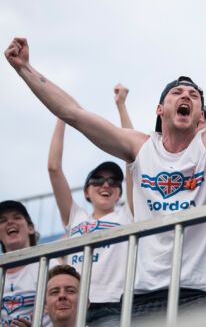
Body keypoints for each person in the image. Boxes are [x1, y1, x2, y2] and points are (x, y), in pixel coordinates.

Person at [4, 31, 206, 316]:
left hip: (201, 293)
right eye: (177, 92)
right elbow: (74, 114)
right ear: (160, 108)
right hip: (142, 297)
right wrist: (24, 68)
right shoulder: (140, 147)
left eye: (194, 95)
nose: (186, 96)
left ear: (199, 114)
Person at [47, 87, 134, 327]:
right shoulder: (76, 217)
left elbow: (132, 158)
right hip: (74, 309)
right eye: (98, 181)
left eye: (113, 182)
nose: (106, 185)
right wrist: (62, 114)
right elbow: (54, 169)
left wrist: (121, 106)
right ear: (86, 191)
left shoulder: (127, 215)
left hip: (113, 308)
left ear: (119, 192)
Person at [0, 200, 52, 327]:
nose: (10, 222)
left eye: (17, 217)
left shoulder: (48, 264)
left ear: (30, 228)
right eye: (2, 220)